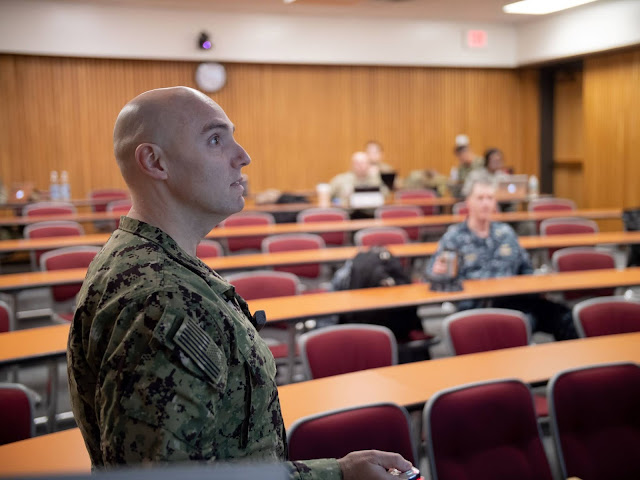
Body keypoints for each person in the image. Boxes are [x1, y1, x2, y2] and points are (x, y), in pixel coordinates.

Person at [67, 87, 413, 479]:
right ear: (155, 162)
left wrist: (339, 471)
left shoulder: (159, 264)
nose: (243, 156)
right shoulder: (161, 300)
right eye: (216, 139)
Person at [426, 178, 577, 341]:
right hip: (478, 307)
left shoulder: (506, 233)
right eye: (480, 198)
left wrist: (538, 285)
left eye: (490, 198)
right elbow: (433, 274)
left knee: (564, 316)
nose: (485, 203)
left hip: (514, 300)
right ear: (468, 202)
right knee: (522, 323)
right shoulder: (454, 237)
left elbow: (526, 269)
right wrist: (438, 273)